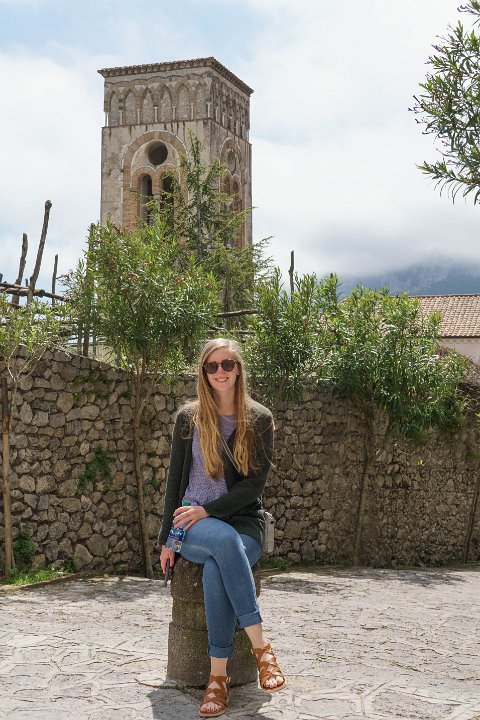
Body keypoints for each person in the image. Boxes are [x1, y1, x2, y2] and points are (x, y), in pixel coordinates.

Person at [158, 337, 286, 718]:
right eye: (212, 366)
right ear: (203, 372)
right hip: (191, 523)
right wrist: (166, 539)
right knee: (223, 543)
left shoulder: (259, 420)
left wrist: (209, 510)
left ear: (238, 369)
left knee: (218, 565)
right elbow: (175, 481)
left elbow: (253, 487)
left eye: (227, 364)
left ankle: (217, 678)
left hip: (243, 522)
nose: (220, 372)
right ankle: (262, 650)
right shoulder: (189, 418)